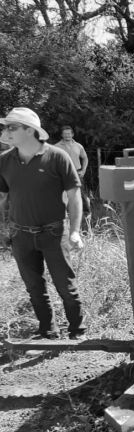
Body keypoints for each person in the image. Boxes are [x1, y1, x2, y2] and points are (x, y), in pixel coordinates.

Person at [0, 107, 86, 339]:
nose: (6, 131)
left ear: (30, 131)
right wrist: (4, 229)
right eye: (5, 126)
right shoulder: (4, 161)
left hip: (54, 233)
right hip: (21, 236)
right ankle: (48, 330)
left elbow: (74, 195)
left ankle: (78, 332)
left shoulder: (57, 156)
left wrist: (76, 231)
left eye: (12, 127)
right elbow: (3, 197)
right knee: (34, 287)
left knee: (65, 286)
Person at [54, 125, 91, 221]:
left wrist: (83, 170)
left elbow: (85, 158)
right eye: (65, 134)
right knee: (63, 195)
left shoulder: (78, 146)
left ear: (72, 134)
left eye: (69, 134)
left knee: (81, 194)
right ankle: (63, 215)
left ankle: (87, 214)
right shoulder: (56, 147)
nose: (67, 136)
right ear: (62, 135)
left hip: (77, 173)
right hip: (63, 174)